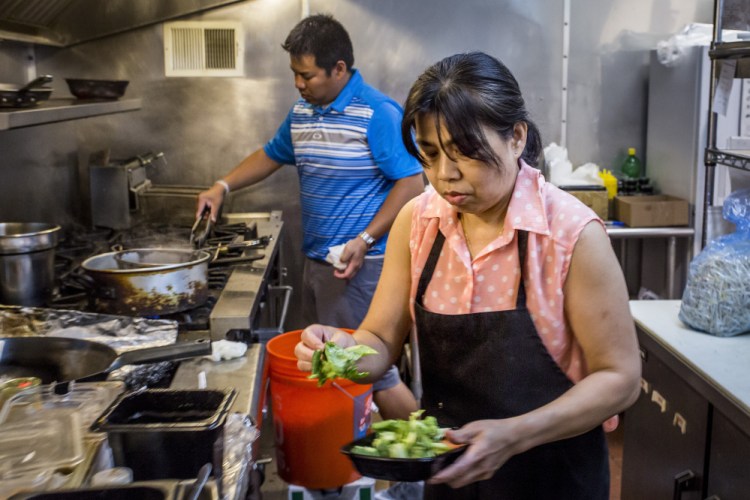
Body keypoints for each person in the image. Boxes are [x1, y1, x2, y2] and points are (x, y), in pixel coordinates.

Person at [295, 51, 641, 499]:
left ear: (516, 137)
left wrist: (514, 434)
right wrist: (342, 351)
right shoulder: (416, 222)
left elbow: (620, 378)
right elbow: (379, 340)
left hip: (554, 477)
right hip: (452, 474)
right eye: (430, 154)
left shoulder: (570, 235)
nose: (445, 175)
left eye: (465, 153)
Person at [196, 14, 423, 420]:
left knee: (373, 375)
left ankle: (430, 464)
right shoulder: (303, 112)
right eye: (294, 75)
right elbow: (270, 154)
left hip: (362, 267)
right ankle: (354, 460)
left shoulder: (377, 114)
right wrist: (222, 186)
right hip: (320, 264)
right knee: (333, 368)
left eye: (307, 75)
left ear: (339, 69)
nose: (299, 84)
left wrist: (364, 240)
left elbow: (411, 184)